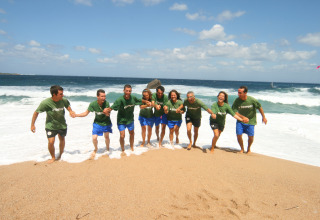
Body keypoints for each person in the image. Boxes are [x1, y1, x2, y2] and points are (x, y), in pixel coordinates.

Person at [30, 85, 75, 163]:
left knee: (62, 139)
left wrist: (71, 111)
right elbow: (36, 112)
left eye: (62, 93)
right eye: (60, 94)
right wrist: (32, 124)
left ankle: (61, 155)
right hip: (50, 125)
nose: (62, 95)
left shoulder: (63, 100)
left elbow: (68, 106)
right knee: (51, 142)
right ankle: (53, 157)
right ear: (54, 94)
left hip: (62, 124)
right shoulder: (46, 103)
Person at [105, 84, 145, 154]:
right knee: (122, 135)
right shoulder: (120, 100)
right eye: (126, 91)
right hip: (121, 120)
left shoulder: (133, 98)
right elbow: (113, 107)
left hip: (130, 120)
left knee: (132, 133)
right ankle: (123, 149)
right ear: (123, 91)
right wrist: (107, 110)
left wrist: (147, 102)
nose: (128, 92)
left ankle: (131, 146)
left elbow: (140, 101)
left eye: (129, 91)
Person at [75, 89, 112, 159]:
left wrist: (106, 112)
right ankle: (96, 149)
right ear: (97, 96)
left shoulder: (106, 103)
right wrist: (76, 115)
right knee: (94, 138)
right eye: (102, 96)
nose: (104, 98)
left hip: (106, 122)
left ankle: (107, 149)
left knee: (106, 137)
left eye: (104, 96)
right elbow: (85, 113)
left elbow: (108, 114)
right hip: (97, 123)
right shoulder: (93, 104)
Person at [232, 86, 267, 153]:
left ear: (245, 93)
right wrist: (242, 117)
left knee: (250, 136)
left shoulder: (252, 100)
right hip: (240, 121)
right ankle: (242, 149)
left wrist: (263, 117)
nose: (238, 94)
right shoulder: (237, 101)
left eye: (240, 93)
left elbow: (259, 107)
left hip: (251, 121)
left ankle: (248, 149)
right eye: (238, 92)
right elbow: (234, 111)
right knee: (239, 135)